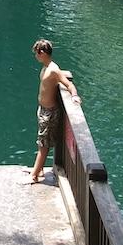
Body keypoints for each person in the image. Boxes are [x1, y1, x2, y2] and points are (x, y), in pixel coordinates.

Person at [29, 39, 80, 184]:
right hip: (43, 110)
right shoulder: (46, 67)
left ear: (43, 53)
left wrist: (75, 96)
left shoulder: (53, 70)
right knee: (41, 141)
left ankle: (34, 175)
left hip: (49, 113)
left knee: (43, 144)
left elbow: (68, 84)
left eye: (37, 53)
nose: (35, 56)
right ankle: (38, 169)